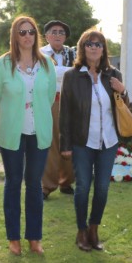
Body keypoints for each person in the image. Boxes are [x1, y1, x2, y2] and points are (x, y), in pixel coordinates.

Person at [0, 16, 56, 255]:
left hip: (38, 132)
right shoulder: (3, 64)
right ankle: (13, 237)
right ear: (15, 36)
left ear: (36, 35)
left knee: (34, 185)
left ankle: (34, 237)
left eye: (31, 31)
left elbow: (48, 98)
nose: (27, 36)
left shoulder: (46, 64)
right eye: (22, 32)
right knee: (13, 182)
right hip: (12, 132)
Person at [59, 29, 126, 251]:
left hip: (108, 140)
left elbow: (122, 106)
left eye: (98, 44)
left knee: (103, 187)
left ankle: (94, 229)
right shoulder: (72, 76)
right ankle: (81, 230)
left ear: (104, 48)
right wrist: (65, 145)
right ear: (82, 47)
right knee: (82, 187)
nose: (94, 47)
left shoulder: (113, 74)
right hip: (82, 142)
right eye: (89, 43)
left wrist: (123, 91)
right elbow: (65, 112)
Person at [41, 19, 76, 199]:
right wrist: (68, 72)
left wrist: (60, 73)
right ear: (46, 36)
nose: (57, 35)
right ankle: (47, 186)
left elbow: (80, 72)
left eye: (61, 32)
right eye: (53, 32)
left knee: (70, 142)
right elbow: (47, 74)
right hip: (51, 101)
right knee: (52, 143)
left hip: (71, 102)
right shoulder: (40, 54)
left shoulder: (72, 53)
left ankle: (66, 182)